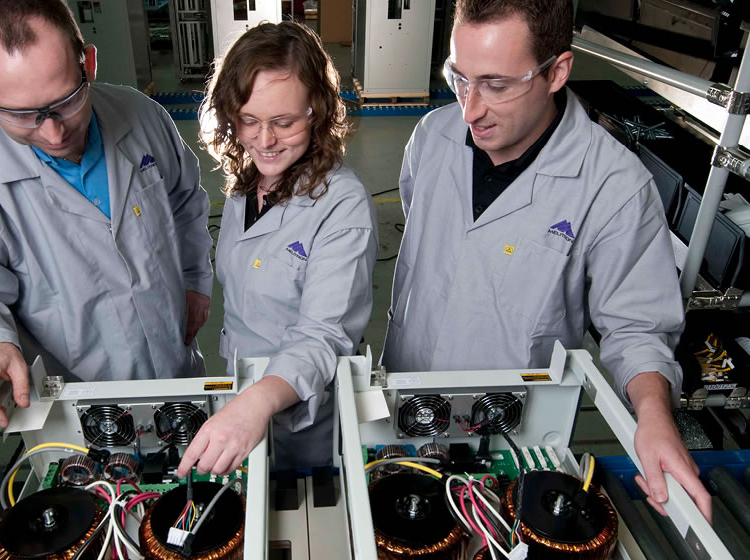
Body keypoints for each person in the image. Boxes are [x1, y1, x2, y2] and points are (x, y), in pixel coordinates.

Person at [381, 0, 712, 521]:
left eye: (495, 85)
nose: (469, 110)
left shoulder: (614, 187)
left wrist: (654, 418)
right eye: (459, 77)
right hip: (401, 398)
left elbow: (637, 328)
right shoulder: (433, 137)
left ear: (557, 71)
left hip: (508, 433)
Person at [0, 0, 213, 427]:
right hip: (75, 397)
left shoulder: (141, 116)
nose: (53, 132)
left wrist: (196, 281)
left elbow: (185, 201)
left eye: (66, 100)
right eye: (21, 114)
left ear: (87, 61)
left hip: (175, 362)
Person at [177, 22, 377, 476]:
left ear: (317, 111)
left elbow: (323, 334)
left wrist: (258, 401)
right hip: (241, 394)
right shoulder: (246, 184)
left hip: (302, 414)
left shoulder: (342, 205)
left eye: (283, 123)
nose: (264, 141)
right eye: (248, 120)